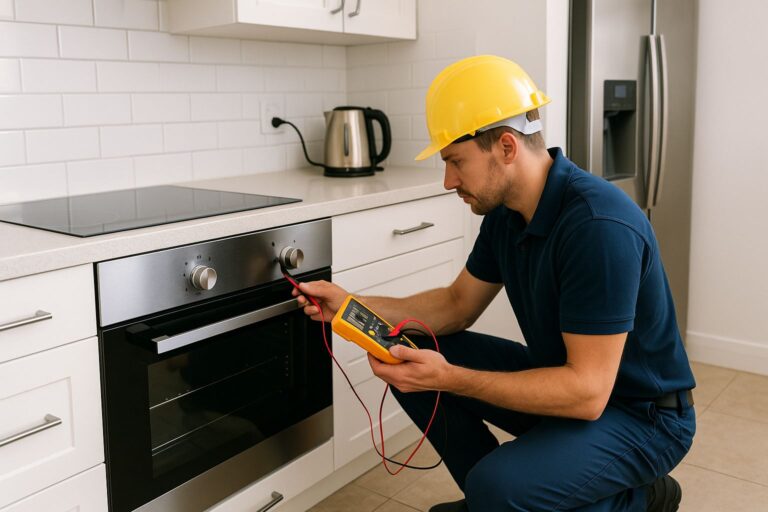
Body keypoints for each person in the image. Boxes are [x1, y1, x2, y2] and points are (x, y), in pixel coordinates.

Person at [292, 55, 696, 512]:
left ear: (506, 147)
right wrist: (350, 303)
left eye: (456, 162)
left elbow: (587, 393)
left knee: (494, 483)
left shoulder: (596, 225)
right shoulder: (508, 215)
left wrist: (451, 379)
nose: (448, 181)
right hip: (568, 385)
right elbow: (456, 304)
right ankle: (499, 499)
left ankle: (640, 499)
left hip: (641, 416)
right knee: (414, 347)